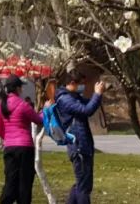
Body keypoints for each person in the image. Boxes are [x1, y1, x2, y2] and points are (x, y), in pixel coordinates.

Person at [53, 70, 105, 204]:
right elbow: (86, 110)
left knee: (82, 184)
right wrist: (97, 94)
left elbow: (89, 104)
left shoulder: (73, 96)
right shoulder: (65, 99)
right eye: (80, 84)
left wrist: (99, 94)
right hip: (78, 147)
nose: (82, 87)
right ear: (71, 83)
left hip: (83, 145)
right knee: (84, 187)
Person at [0, 75, 44, 204]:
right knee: (25, 182)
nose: (22, 90)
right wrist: (46, 110)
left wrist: (9, 138)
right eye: (21, 87)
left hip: (9, 147)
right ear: (17, 88)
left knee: (11, 179)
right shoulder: (23, 105)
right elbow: (39, 120)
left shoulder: (0, 106)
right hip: (25, 147)